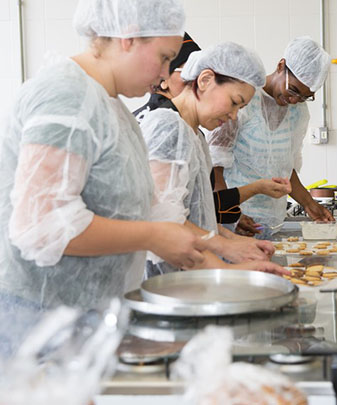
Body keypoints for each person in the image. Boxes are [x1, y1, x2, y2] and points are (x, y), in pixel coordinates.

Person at [0, 0, 210, 358]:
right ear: (128, 38)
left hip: (86, 315)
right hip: (40, 318)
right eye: (163, 57)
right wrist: (154, 237)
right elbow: (42, 225)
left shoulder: (111, 107)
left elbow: (142, 206)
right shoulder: (67, 97)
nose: (164, 75)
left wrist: (214, 246)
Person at [139, 42, 289, 278]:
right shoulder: (167, 127)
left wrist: (232, 239)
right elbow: (163, 220)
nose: (233, 116)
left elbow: (196, 215)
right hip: (164, 281)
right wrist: (225, 256)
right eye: (234, 102)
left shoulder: (196, 135)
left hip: (189, 277)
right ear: (205, 80)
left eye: (241, 108)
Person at [207, 36, 333, 239]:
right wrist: (230, 213)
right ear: (281, 66)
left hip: (273, 222)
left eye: (304, 96)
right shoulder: (244, 101)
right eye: (293, 90)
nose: (294, 100)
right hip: (236, 223)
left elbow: (286, 168)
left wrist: (310, 204)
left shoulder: (298, 112)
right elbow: (215, 167)